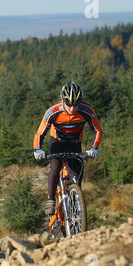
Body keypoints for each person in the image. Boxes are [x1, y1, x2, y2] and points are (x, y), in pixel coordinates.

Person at [33, 81, 103, 215]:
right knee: (55, 166)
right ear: (63, 101)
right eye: (69, 105)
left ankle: (76, 202)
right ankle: (51, 200)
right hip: (56, 142)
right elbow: (40, 133)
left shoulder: (86, 111)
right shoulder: (53, 112)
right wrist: (38, 149)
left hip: (74, 143)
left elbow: (98, 130)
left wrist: (94, 148)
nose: (72, 109)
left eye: (76, 105)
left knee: (76, 174)